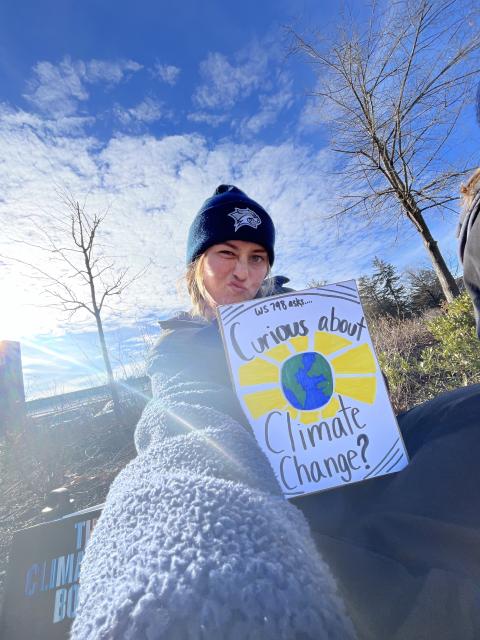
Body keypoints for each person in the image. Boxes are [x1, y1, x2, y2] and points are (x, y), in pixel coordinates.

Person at [71, 185, 356, 640]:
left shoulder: (305, 314)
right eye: (227, 252)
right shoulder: (180, 346)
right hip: (281, 515)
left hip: (352, 477)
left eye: (258, 257)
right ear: (196, 262)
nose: (244, 272)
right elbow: (185, 421)